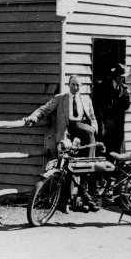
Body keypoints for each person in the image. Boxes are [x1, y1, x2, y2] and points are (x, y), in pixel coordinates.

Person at [23, 75, 99, 212]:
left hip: (83, 138)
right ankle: (63, 202)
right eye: (73, 85)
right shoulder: (60, 98)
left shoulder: (86, 100)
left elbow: (93, 118)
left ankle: (83, 200)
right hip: (66, 137)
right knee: (65, 169)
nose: (76, 88)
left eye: (78, 85)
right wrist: (33, 117)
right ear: (68, 84)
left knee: (85, 167)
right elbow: (44, 109)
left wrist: (93, 129)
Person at [94, 63, 131, 157]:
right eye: (122, 77)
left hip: (118, 126)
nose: (123, 79)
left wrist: (126, 95)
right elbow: (101, 108)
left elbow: (125, 106)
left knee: (119, 153)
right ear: (117, 76)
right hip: (107, 126)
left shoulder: (122, 88)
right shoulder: (104, 86)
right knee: (108, 153)